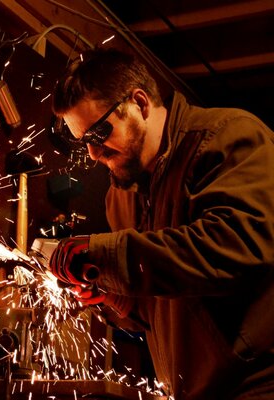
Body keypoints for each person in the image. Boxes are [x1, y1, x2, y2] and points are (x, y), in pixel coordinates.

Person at [48, 48, 274, 399]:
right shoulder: (120, 197)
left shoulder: (226, 137)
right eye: (84, 144)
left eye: (97, 135)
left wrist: (111, 256)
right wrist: (116, 299)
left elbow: (239, 246)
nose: (93, 154)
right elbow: (168, 306)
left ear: (139, 103)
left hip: (257, 384)